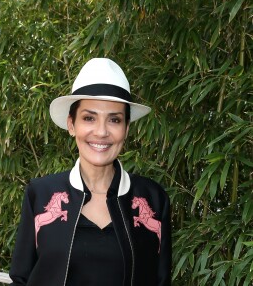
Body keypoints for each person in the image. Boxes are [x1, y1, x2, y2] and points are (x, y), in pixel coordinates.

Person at [9, 58, 172, 286]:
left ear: (126, 129)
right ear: (71, 124)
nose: (101, 131)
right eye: (89, 118)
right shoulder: (41, 194)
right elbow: (20, 278)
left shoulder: (152, 199)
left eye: (114, 120)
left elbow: (161, 280)